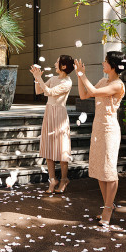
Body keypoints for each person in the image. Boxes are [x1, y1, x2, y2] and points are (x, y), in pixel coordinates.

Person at [74, 51, 126, 227]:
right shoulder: (104, 81)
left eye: (105, 62)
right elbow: (84, 95)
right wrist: (79, 77)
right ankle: (107, 205)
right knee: (100, 170)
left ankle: (108, 209)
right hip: (98, 128)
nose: (102, 64)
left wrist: (83, 74)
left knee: (109, 169)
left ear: (113, 66)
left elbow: (94, 91)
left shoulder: (118, 85)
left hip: (110, 130)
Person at [30, 55, 75, 193]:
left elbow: (49, 92)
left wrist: (39, 78)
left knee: (62, 150)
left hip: (59, 116)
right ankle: (52, 180)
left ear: (63, 66)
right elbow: (39, 91)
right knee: (49, 149)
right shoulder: (54, 78)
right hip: (49, 113)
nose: (55, 63)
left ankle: (64, 179)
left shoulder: (67, 82)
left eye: (57, 62)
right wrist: (36, 78)